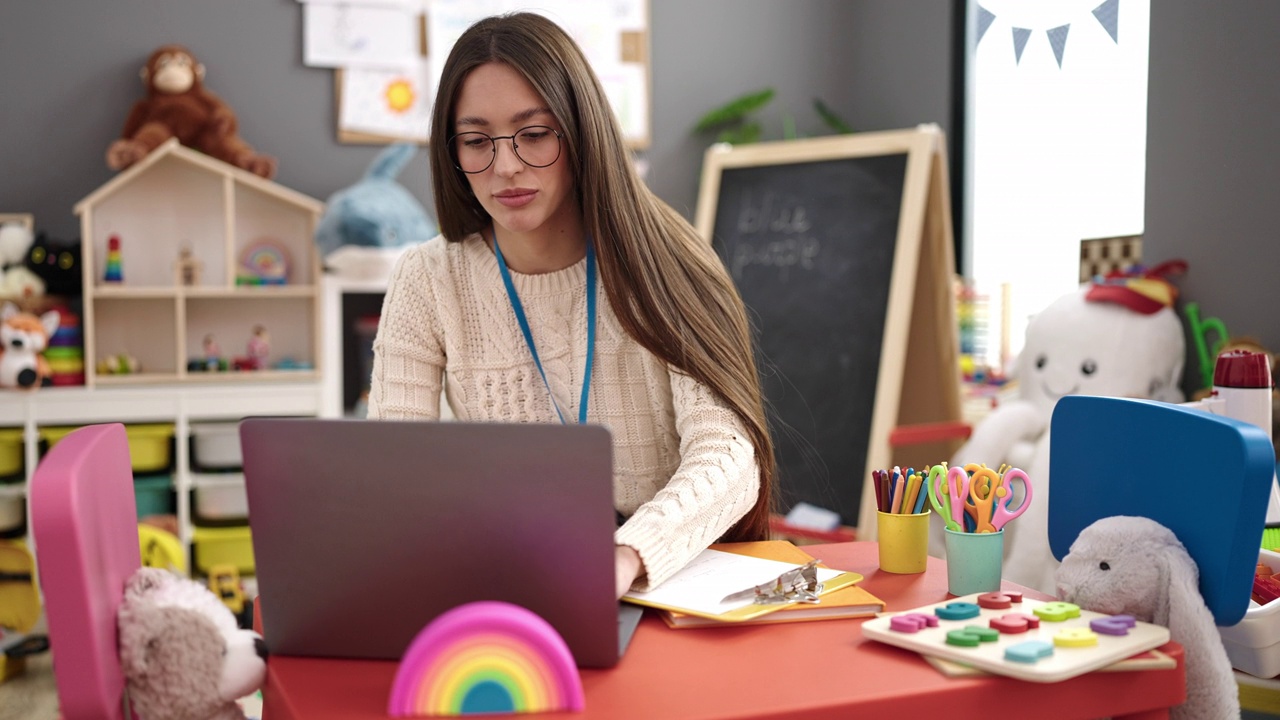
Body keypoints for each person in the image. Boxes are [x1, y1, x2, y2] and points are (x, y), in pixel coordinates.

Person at [367, 12, 776, 598]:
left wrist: (626, 555)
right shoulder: (429, 277)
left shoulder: (668, 259)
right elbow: (393, 468)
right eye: (477, 141)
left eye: (534, 134)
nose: (505, 166)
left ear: (580, 131)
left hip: (669, 582)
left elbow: (729, 456)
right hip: (516, 580)